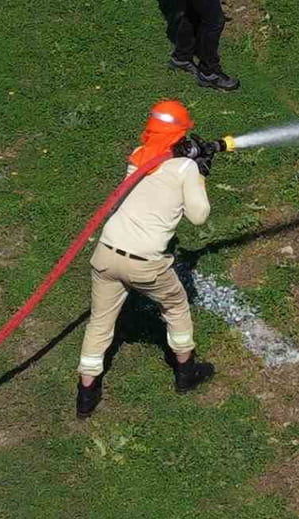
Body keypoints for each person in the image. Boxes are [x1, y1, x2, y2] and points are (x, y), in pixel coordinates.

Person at [75, 100, 217, 418]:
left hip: (106, 254)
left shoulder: (138, 157)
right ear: (180, 133)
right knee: (176, 306)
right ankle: (186, 373)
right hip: (145, 263)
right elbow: (198, 216)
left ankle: (85, 396)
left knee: (100, 322)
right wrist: (200, 172)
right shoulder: (185, 168)